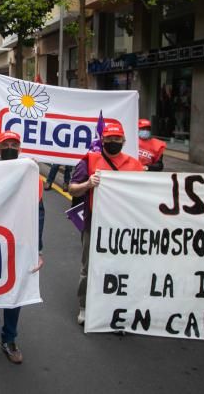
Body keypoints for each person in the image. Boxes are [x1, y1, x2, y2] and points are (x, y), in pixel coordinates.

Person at [0, 131, 44, 365]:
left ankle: (10, 339)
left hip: (20, 245)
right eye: (5, 144)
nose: (9, 147)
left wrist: (37, 250)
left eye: (13, 144)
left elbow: (38, 214)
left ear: (20, 148)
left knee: (15, 295)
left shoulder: (31, 177)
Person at [68, 123, 144, 325]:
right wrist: (88, 184)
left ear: (124, 141)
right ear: (102, 141)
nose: (112, 143)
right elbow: (72, 189)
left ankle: (115, 308)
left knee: (121, 267)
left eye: (116, 140)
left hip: (124, 225)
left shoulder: (135, 165)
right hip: (95, 221)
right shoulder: (90, 160)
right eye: (108, 140)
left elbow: (145, 196)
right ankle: (84, 306)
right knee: (89, 265)